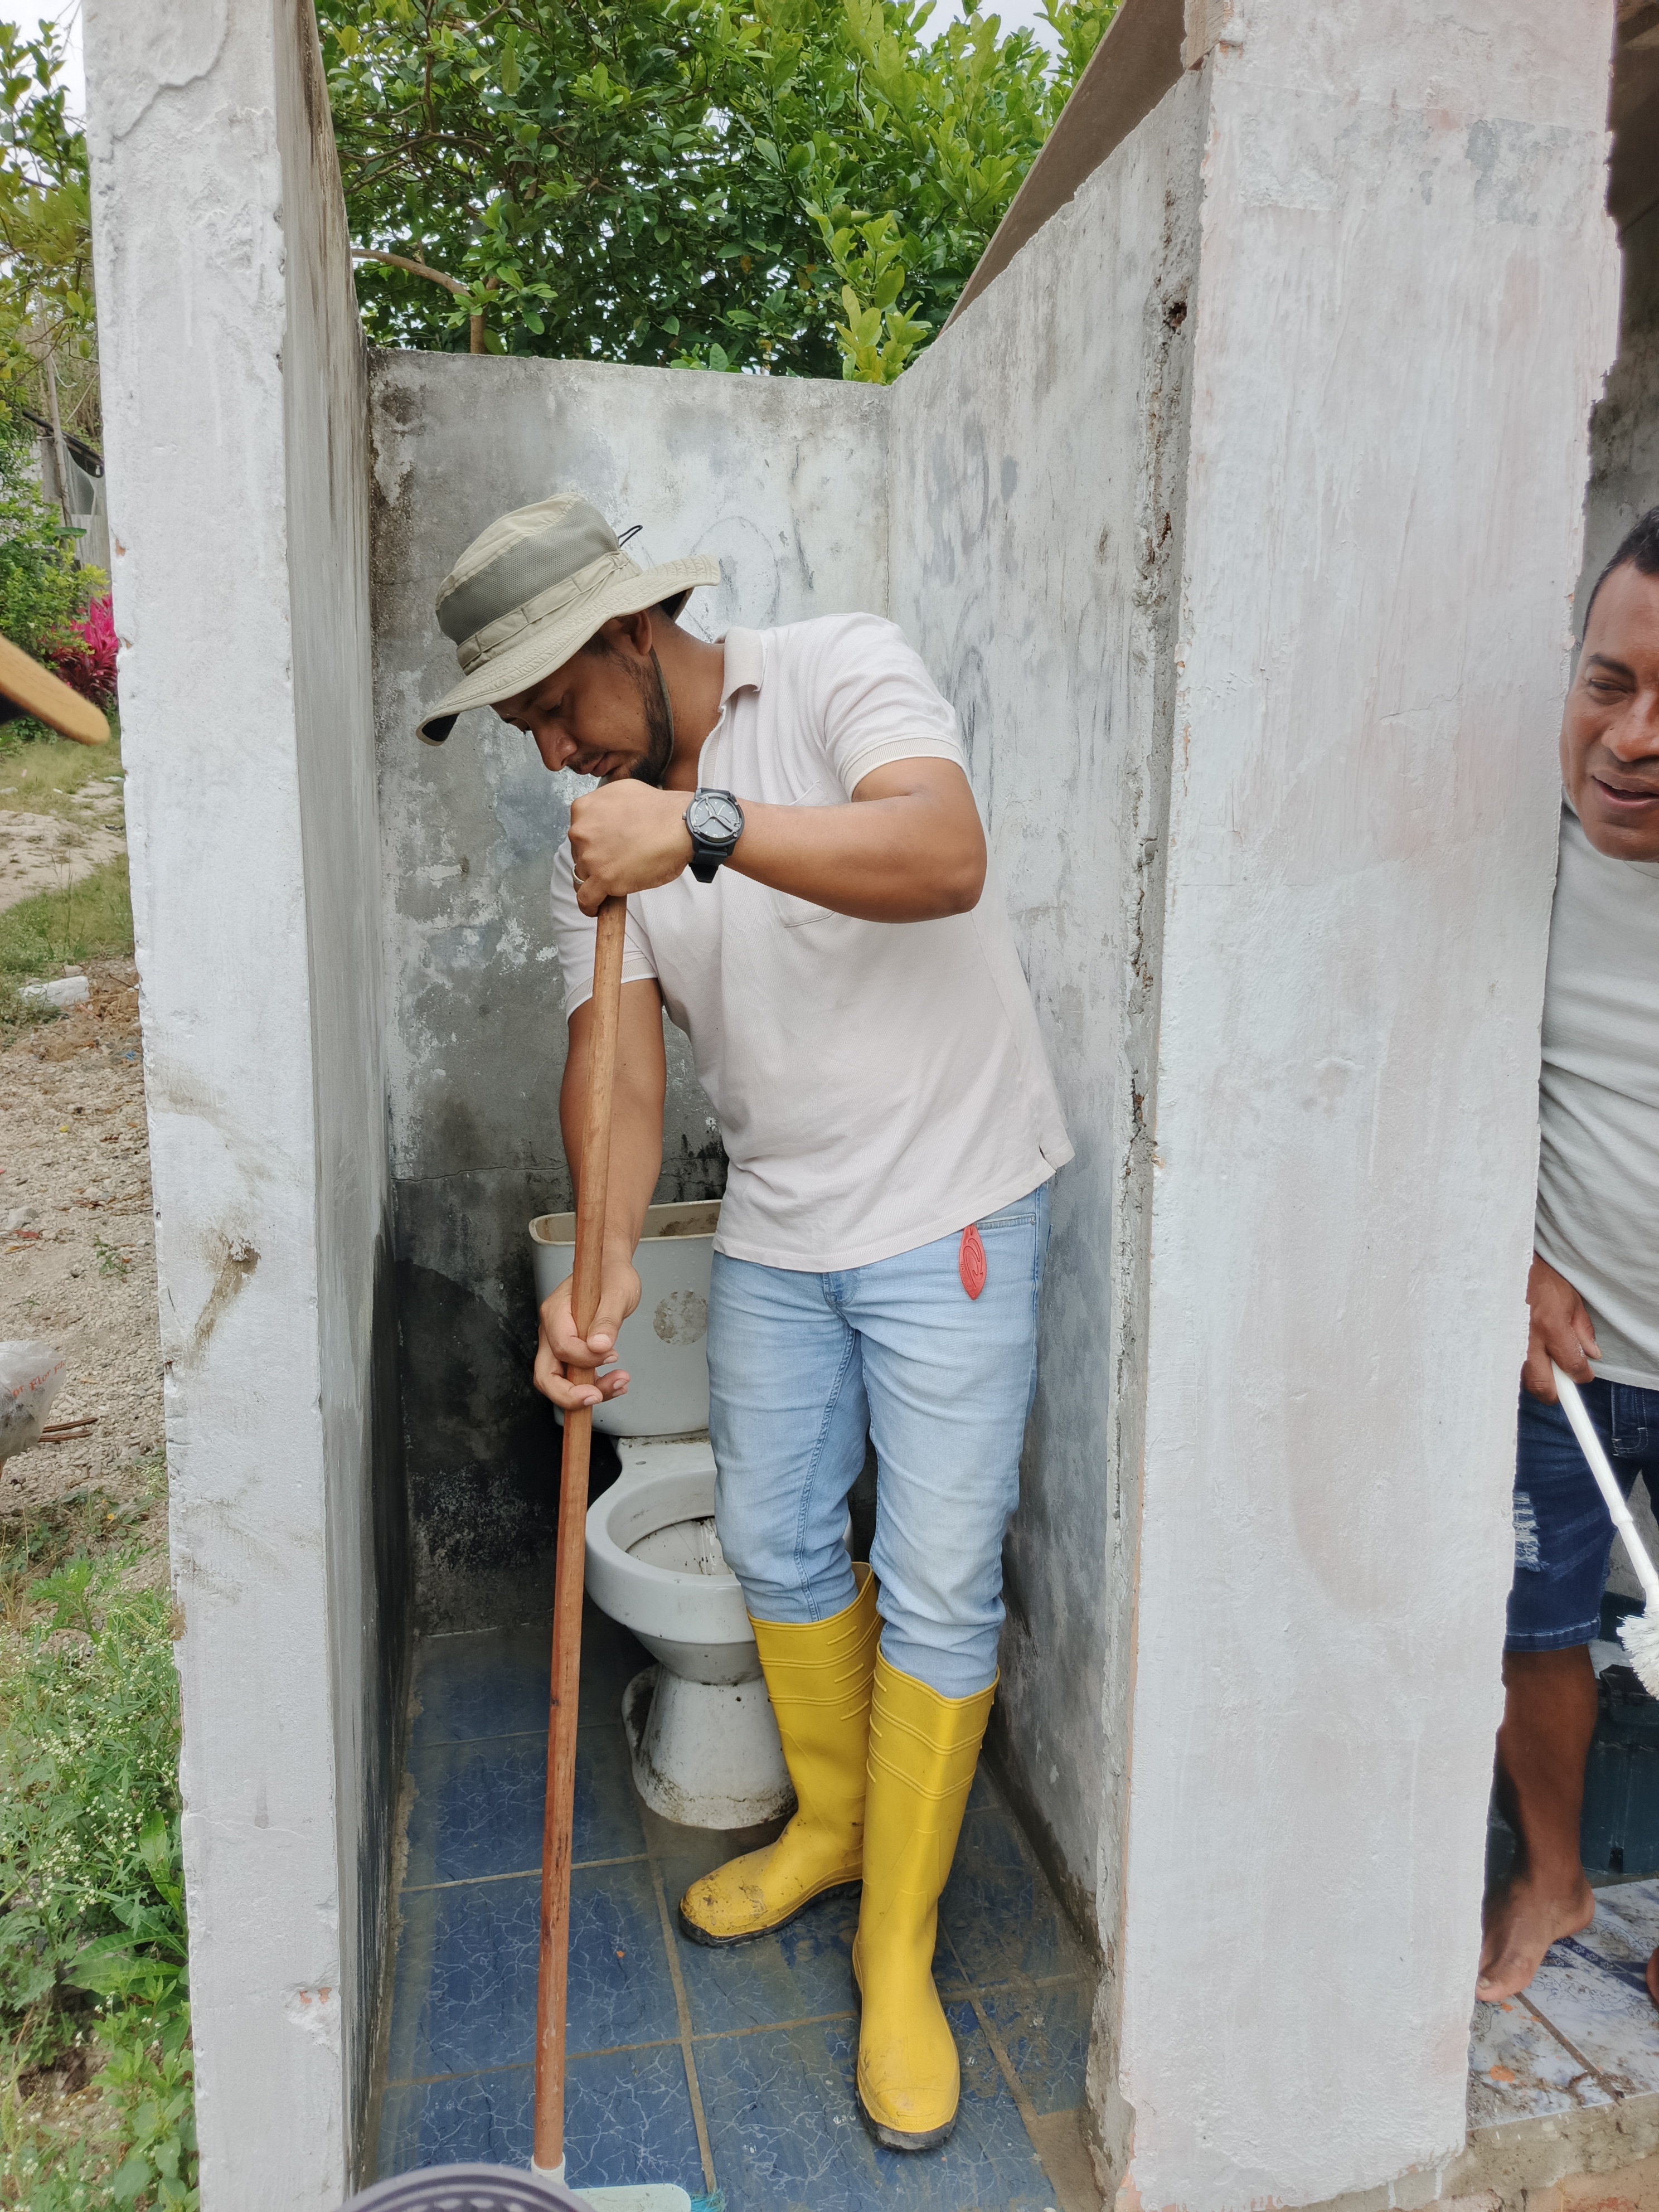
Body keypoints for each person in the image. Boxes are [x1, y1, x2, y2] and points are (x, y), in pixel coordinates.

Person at [416, 493, 1072, 2147]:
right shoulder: (603, 840)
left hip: (956, 1207)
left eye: (558, 704)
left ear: (639, 631)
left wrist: (698, 828)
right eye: (521, 728)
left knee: (935, 1577)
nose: (553, 751)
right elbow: (620, 1067)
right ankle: (837, 1830)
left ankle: (900, 1948)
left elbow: (941, 855)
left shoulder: (839, 669)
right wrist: (601, 1270)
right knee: (777, 1544)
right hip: (781, 1225)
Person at [1477, 505, 1659, 2006]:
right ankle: (1552, 1873)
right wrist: (1507, 1254)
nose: (1632, 738)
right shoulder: (1505, 869)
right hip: (1568, 1358)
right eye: (1610, 683)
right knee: (1533, 1627)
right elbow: (1434, 1081)